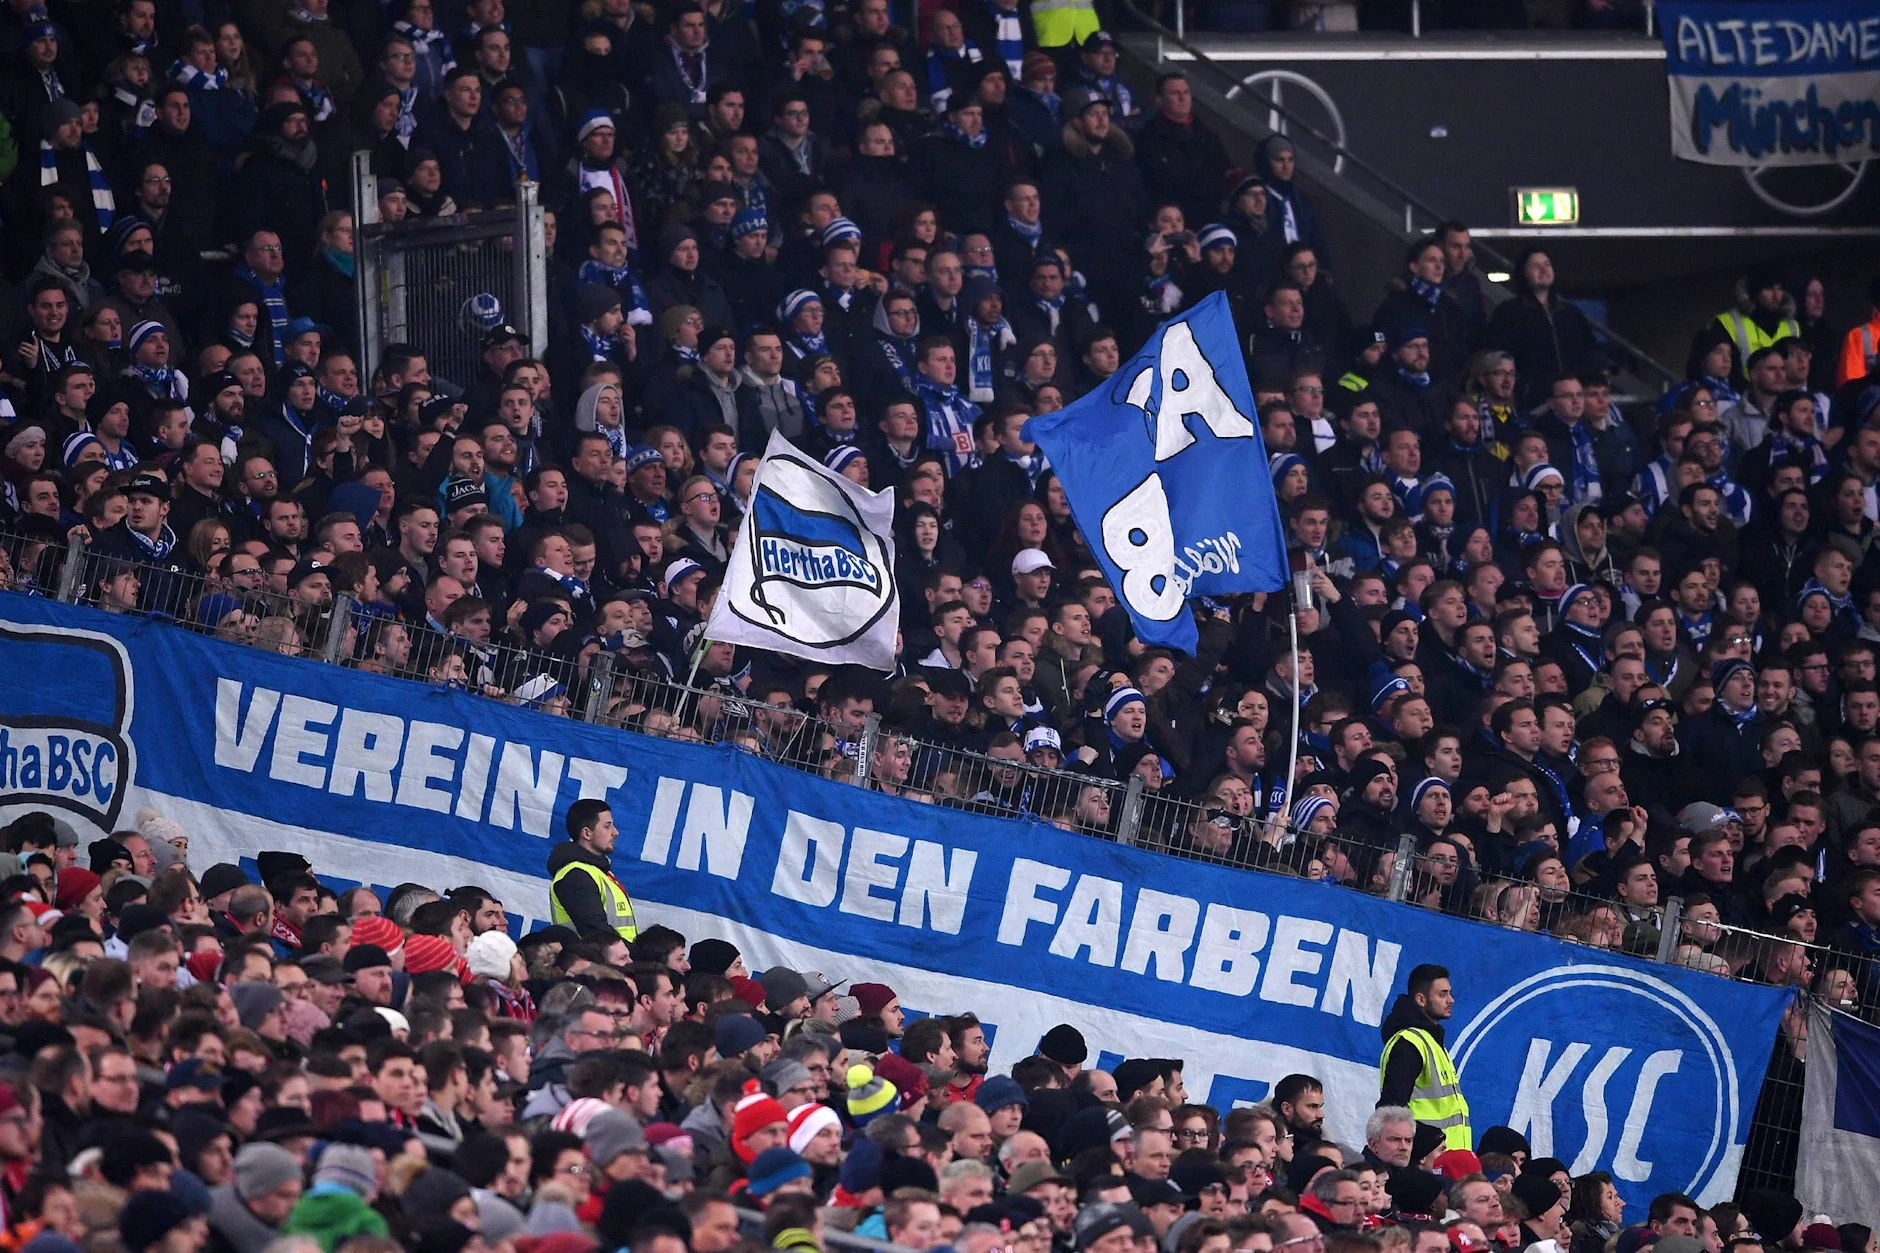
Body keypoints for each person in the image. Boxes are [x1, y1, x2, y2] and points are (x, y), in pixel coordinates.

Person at [1377, 963, 1470, 1150]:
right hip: (1427, 1162)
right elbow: (1391, 1110)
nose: (1451, 1000)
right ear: (1421, 999)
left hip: (1443, 1162)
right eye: (1442, 994)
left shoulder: (1430, 1040)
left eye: (1450, 993)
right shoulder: (1411, 1043)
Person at [547, 798, 639, 941]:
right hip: (594, 962)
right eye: (607, 826)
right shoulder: (575, 875)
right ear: (587, 833)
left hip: (614, 961)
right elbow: (596, 932)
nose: (615, 832)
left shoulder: (598, 872)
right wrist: (631, 956)